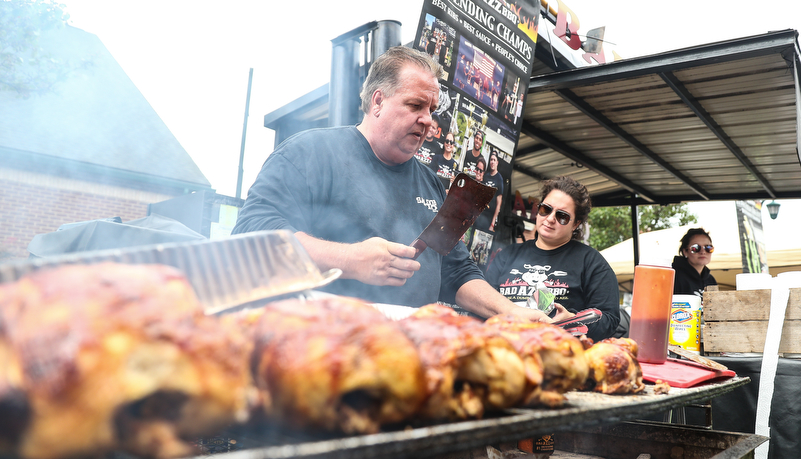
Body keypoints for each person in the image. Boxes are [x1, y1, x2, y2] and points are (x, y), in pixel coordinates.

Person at [233, 46, 563, 323]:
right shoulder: (308, 153)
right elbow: (250, 237)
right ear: (377, 102)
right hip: (324, 345)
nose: (428, 120)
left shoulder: (432, 183)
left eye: (431, 109)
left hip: (411, 354)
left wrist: (510, 312)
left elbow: (455, 269)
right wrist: (350, 259)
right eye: (415, 105)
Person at [485, 176, 621, 342]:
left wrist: (572, 320)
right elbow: (483, 304)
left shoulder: (592, 262)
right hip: (502, 351)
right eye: (545, 209)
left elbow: (610, 320)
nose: (550, 218)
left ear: (576, 223)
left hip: (557, 356)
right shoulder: (507, 255)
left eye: (562, 216)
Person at [672, 228, 717, 297]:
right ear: (685, 252)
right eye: (696, 248)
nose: (703, 252)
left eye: (708, 247)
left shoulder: (711, 280)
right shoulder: (674, 277)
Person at [475, 150, 503, 232]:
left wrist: (492, 224)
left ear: (497, 162)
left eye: (494, 160)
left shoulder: (499, 179)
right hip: (480, 214)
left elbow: (499, 204)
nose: (492, 162)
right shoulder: (486, 175)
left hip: (489, 217)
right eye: (491, 159)